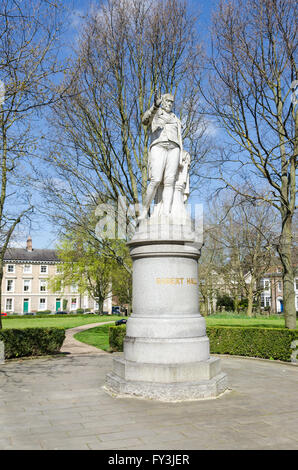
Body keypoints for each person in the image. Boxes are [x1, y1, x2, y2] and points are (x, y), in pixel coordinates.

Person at [138, 92, 183, 221]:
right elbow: (144, 120)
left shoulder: (175, 118)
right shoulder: (156, 113)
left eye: (171, 102)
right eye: (167, 101)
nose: (169, 104)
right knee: (156, 180)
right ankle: (144, 211)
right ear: (162, 101)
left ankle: (165, 214)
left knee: (170, 182)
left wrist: (180, 156)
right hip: (159, 145)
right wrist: (154, 107)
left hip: (174, 148)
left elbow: (180, 138)